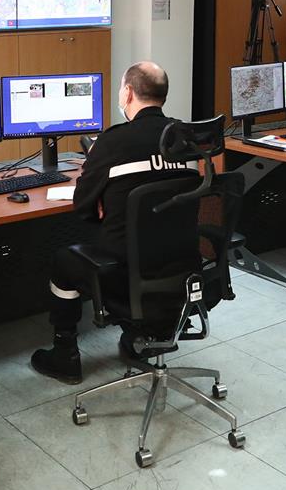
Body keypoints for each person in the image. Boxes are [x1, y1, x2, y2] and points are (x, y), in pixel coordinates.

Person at [30, 61, 197, 384]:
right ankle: (138, 337)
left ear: (129, 92)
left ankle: (65, 355)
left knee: (65, 260)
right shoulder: (185, 136)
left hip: (124, 272)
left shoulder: (112, 142)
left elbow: (83, 207)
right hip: (182, 267)